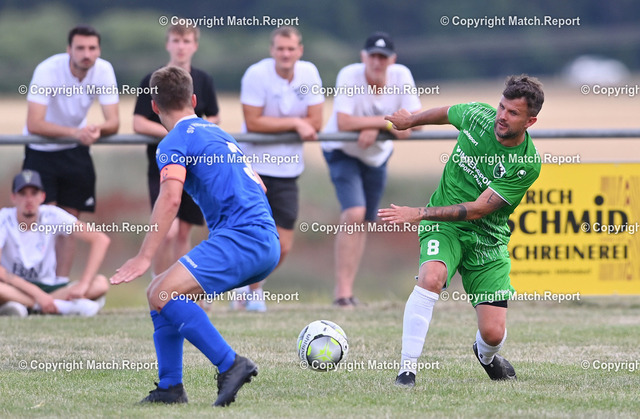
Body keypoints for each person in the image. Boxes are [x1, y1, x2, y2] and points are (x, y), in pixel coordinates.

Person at [110, 66, 280, 407]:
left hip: (242, 239)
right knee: (158, 294)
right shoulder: (220, 134)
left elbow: (170, 199)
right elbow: (259, 186)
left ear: (154, 106)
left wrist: (144, 256)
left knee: (163, 292)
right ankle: (170, 388)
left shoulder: (173, 141)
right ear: (194, 99)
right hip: (264, 239)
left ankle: (231, 364)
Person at [379, 74, 545, 387]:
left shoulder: (526, 164)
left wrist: (419, 212)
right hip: (444, 226)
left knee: (493, 334)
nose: (501, 116)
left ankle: (486, 356)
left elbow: (479, 209)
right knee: (431, 278)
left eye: (513, 113)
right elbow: (447, 112)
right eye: (501, 107)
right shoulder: (478, 115)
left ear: (530, 121)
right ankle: (406, 371)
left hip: (487, 239)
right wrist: (411, 120)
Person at [322, 32, 421, 308]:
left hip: (377, 156)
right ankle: (341, 294)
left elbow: (416, 122)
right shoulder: (349, 75)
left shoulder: (402, 75)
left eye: (383, 57)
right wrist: (387, 124)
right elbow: (344, 122)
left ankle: (348, 293)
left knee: (364, 220)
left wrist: (373, 126)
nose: (377, 62)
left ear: (392, 60)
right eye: (373, 56)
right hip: (342, 151)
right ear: (363, 57)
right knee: (354, 212)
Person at [23, 24, 119, 285]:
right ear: (69, 50)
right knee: (42, 223)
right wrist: (76, 133)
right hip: (41, 151)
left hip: (76, 152)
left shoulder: (104, 70)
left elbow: (114, 122)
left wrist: (95, 130)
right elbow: (34, 123)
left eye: (92, 48)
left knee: (69, 225)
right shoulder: (47, 70)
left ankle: (60, 286)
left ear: (99, 50)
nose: (86, 54)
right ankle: (38, 285)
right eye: (80, 48)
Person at [237, 26, 323, 311]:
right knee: (251, 236)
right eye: (280, 49)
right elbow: (253, 122)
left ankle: (251, 286)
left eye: (291, 49)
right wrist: (296, 123)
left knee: (282, 245)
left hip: (288, 171)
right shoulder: (256, 74)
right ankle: (248, 292)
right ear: (272, 50)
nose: (286, 54)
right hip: (253, 169)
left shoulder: (309, 73)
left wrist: (290, 124)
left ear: (300, 51)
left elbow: (316, 122)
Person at [133, 24, 220, 278]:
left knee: (183, 232)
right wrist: (177, 135)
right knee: (167, 231)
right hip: (163, 164)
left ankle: (184, 288)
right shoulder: (152, 80)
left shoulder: (203, 80)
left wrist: (193, 134)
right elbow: (139, 123)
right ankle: (159, 285)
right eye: (176, 40)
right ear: (167, 44)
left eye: (186, 41)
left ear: (195, 45)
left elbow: (214, 117)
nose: (181, 46)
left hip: (194, 166)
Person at [0, 170, 110, 317]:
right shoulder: (4, 219)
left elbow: (100, 239)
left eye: (34, 193)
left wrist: (84, 284)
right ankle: (61, 306)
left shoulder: (51, 215)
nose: (29, 199)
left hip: (49, 286)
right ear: (13, 197)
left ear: (42, 196)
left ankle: (25, 306)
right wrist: (37, 294)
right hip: (15, 286)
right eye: (23, 194)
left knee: (101, 283)